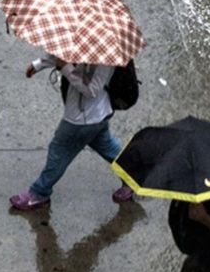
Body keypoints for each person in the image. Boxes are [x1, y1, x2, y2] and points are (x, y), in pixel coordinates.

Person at [10, 53, 134, 211]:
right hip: (96, 115)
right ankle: (132, 177)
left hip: (83, 119)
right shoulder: (85, 43)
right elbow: (62, 52)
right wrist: (39, 64)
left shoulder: (105, 58)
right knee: (107, 146)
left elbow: (91, 90)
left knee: (58, 151)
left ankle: (39, 193)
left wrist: (66, 68)